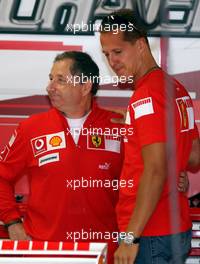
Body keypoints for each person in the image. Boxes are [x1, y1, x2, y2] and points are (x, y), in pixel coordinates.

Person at [0, 51, 125, 263]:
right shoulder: (30, 128)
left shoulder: (118, 125)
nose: (50, 87)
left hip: (102, 253)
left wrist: (176, 177)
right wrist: (12, 222)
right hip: (42, 251)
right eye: (51, 79)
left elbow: (144, 176)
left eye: (60, 80)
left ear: (85, 87)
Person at [99, 9, 200, 263]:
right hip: (173, 229)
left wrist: (131, 237)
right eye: (106, 54)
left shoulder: (147, 96)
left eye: (118, 52)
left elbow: (155, 170)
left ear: (141, 45)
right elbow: (194, 156)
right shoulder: (173, 88)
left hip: (149, 233)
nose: (112, 61)